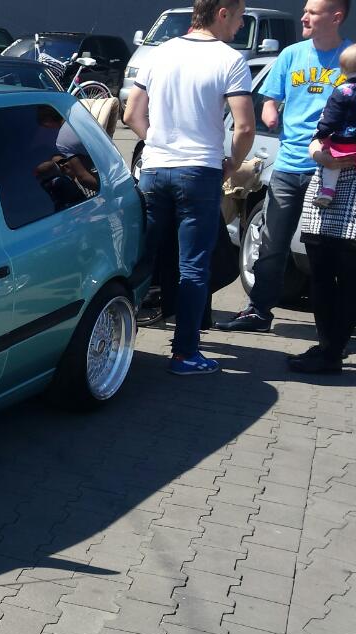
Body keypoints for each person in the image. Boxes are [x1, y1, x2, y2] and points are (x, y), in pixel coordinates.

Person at [124, 0, 255, 376]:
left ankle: (117, 338)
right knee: (193, 266)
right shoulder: (230, 59)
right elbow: (245, 127)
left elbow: (131, 114)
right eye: (240, 16)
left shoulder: (159, 53)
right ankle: (184, 354)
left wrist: (158, 143)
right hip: (199, 172)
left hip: (154, 170)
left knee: (142, 259)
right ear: (222, 12)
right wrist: (232, 163)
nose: (240, 25)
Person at [217, 0, 353, 333]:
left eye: (312, 12)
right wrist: (270, 113)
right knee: (272, 243)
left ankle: (333, 326)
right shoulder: (291, 55)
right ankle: (258, 311)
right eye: (305, 10)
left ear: (336, 17)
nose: (303, 16)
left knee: (328, 253)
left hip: (334, 171)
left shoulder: (352, 58)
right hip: (288, 166)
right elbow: (270, 99)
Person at [288, 136, 356, 372]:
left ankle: (332, 354)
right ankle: (327, 346)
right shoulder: (338, 108)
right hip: (324, 192)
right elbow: (317, 137)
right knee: (320, 277)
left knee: (351, 283)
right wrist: (320, 156)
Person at [312, 45, 356, 206]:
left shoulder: (341, 91)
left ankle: (328, 191)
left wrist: (321, 134)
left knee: (331, 158)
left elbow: (331, 118)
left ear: (343, 70)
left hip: (344, 142)